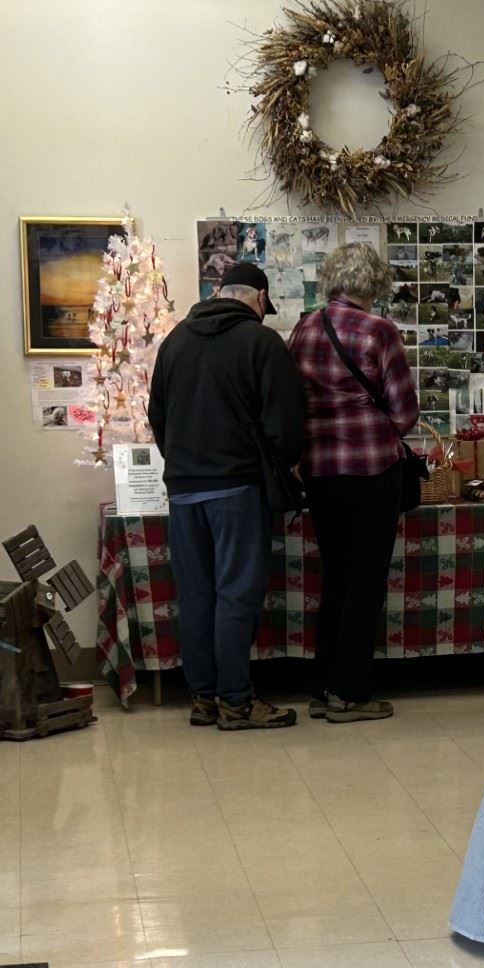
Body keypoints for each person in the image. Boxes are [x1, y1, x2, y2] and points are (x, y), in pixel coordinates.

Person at [148, 261, 306, 730]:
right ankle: (236, 701)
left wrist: (182, 463)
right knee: (236, 595)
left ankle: (203, 697)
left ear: (218, 292)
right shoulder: (261, 342)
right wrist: (283, 462)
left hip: (183, 490)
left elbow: (158, 416)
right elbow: (285, 423)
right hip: (237, 487)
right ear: (260, 299)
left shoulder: (174, 341)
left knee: (196, 596)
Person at [287, 242, 419, 723]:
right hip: (371, 469)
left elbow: (291, 400)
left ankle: (323, 686)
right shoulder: (379, 330)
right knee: (365, 581)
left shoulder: (305, 327)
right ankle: (350, 693)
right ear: (375, 283)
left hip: (319, 469)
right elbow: (404, 412)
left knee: (336, 577)